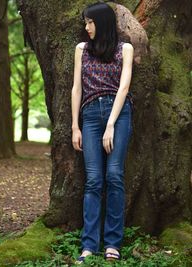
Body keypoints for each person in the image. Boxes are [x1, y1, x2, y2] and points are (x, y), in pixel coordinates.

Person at [71, 1, 134, 264]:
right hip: (89, 115)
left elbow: (123, 87)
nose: (86, 28)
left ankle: (112, 244)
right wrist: (75, 125)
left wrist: (110, 123)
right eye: (85, 23)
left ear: (103, 22)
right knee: (94, 180)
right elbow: (76, 88)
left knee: (115, 176)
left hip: (118, 114)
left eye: (90, 22)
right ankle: (89, 246)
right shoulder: (81, 49)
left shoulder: (125, 49)